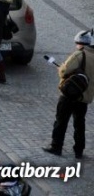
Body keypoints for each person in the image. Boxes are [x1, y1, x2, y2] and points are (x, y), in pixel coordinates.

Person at [42, 28, 94, 158]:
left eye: (78, 43)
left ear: (84, 43)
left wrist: (61, 69)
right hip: (84, 98)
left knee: (61, 121)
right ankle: (79, 151)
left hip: (69, 95)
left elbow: (63, 71)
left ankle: (56, 147)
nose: (77, 45)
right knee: (79, 123)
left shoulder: (79, 54)